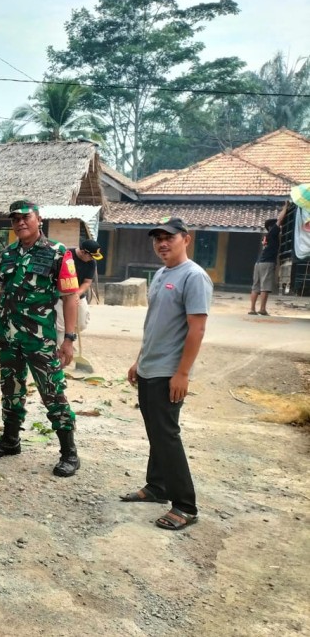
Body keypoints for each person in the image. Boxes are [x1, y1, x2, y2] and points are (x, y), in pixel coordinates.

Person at [0, 200, 82, 477]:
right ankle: (11, 440)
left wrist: (69, 339)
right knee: (10, 390)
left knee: (52, 393)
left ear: (39, 219)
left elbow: (70, 297)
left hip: (40, 340)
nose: (20, 222)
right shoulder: (9, 253)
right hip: (9, 338)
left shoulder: (58, 253)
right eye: (15, 219)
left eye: (26, 217)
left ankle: (69, 453)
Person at [123, 216, 212, 531]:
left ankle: (185, 505)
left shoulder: (194, 277)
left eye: (169, 238)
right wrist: (139, 360)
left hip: (169, 372)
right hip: (150, 367)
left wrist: (183, 373)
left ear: (185, 239)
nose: (162, 243)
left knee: (167, 436)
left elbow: (197, 329)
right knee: (156, 432)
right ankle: (157, 486)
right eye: (157, 238)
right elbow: (155, 326)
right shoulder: (161, 274)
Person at [56, 238, 102, 334]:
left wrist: (77, 294)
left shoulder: (91, 263)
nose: (92, 259)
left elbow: (87, 282)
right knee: (61, 328)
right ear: (83, 252)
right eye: (91, 256)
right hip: (60, 297)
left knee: (81, 324)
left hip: (78, 296)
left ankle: (69, 340)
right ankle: (63, 347)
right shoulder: (66, 256)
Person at [249, 204, 287, 316]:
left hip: (258, 263)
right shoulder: (273, 231)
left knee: (255, 286)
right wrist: (286, 207)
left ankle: (252, 309)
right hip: (267, 263)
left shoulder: (266, 236)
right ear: (273, 226)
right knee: (265, 287)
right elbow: (280, 219)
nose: (279, 227)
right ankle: (262, 309)